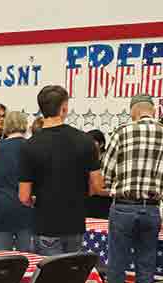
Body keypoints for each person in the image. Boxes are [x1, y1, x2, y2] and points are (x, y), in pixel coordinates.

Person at [103, 94, 163, 283]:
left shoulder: (122, 133)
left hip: (123, 207)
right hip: (153, 208)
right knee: (146, 263)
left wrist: (117, 186)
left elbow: (107, 173)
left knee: (117, 263)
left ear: (133, 111)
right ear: (153, 111)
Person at [20, 85, 103, 257]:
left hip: (46, 223)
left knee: (51, 276)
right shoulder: (86, 141)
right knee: (72, 275)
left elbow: (23, 196)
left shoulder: (29, 146)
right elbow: (97, 186)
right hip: (75, 222)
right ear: (64, 108)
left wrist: (36, 200)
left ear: (41, 109)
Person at [0, 110, 34, 252]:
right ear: (26, 126)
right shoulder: (33, 147)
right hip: (26, 209)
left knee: (1, 259)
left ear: (5, 126)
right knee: (27, 258)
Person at [85, 130, 112, 219]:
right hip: (88, 201)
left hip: (105, 201)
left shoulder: (108, 160)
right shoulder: (85, 159)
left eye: (91, 143)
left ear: (101, 144)